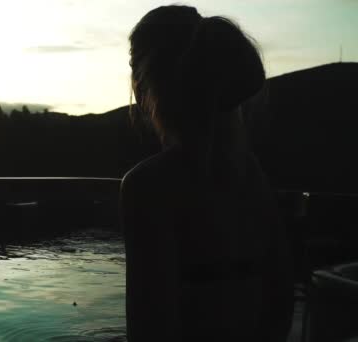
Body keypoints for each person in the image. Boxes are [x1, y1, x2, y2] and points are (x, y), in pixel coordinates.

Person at [120, 5, 294, 341]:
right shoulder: (251, 174)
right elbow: (280, 301)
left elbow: (151, 329)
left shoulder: (147, 187)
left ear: (146, 84)